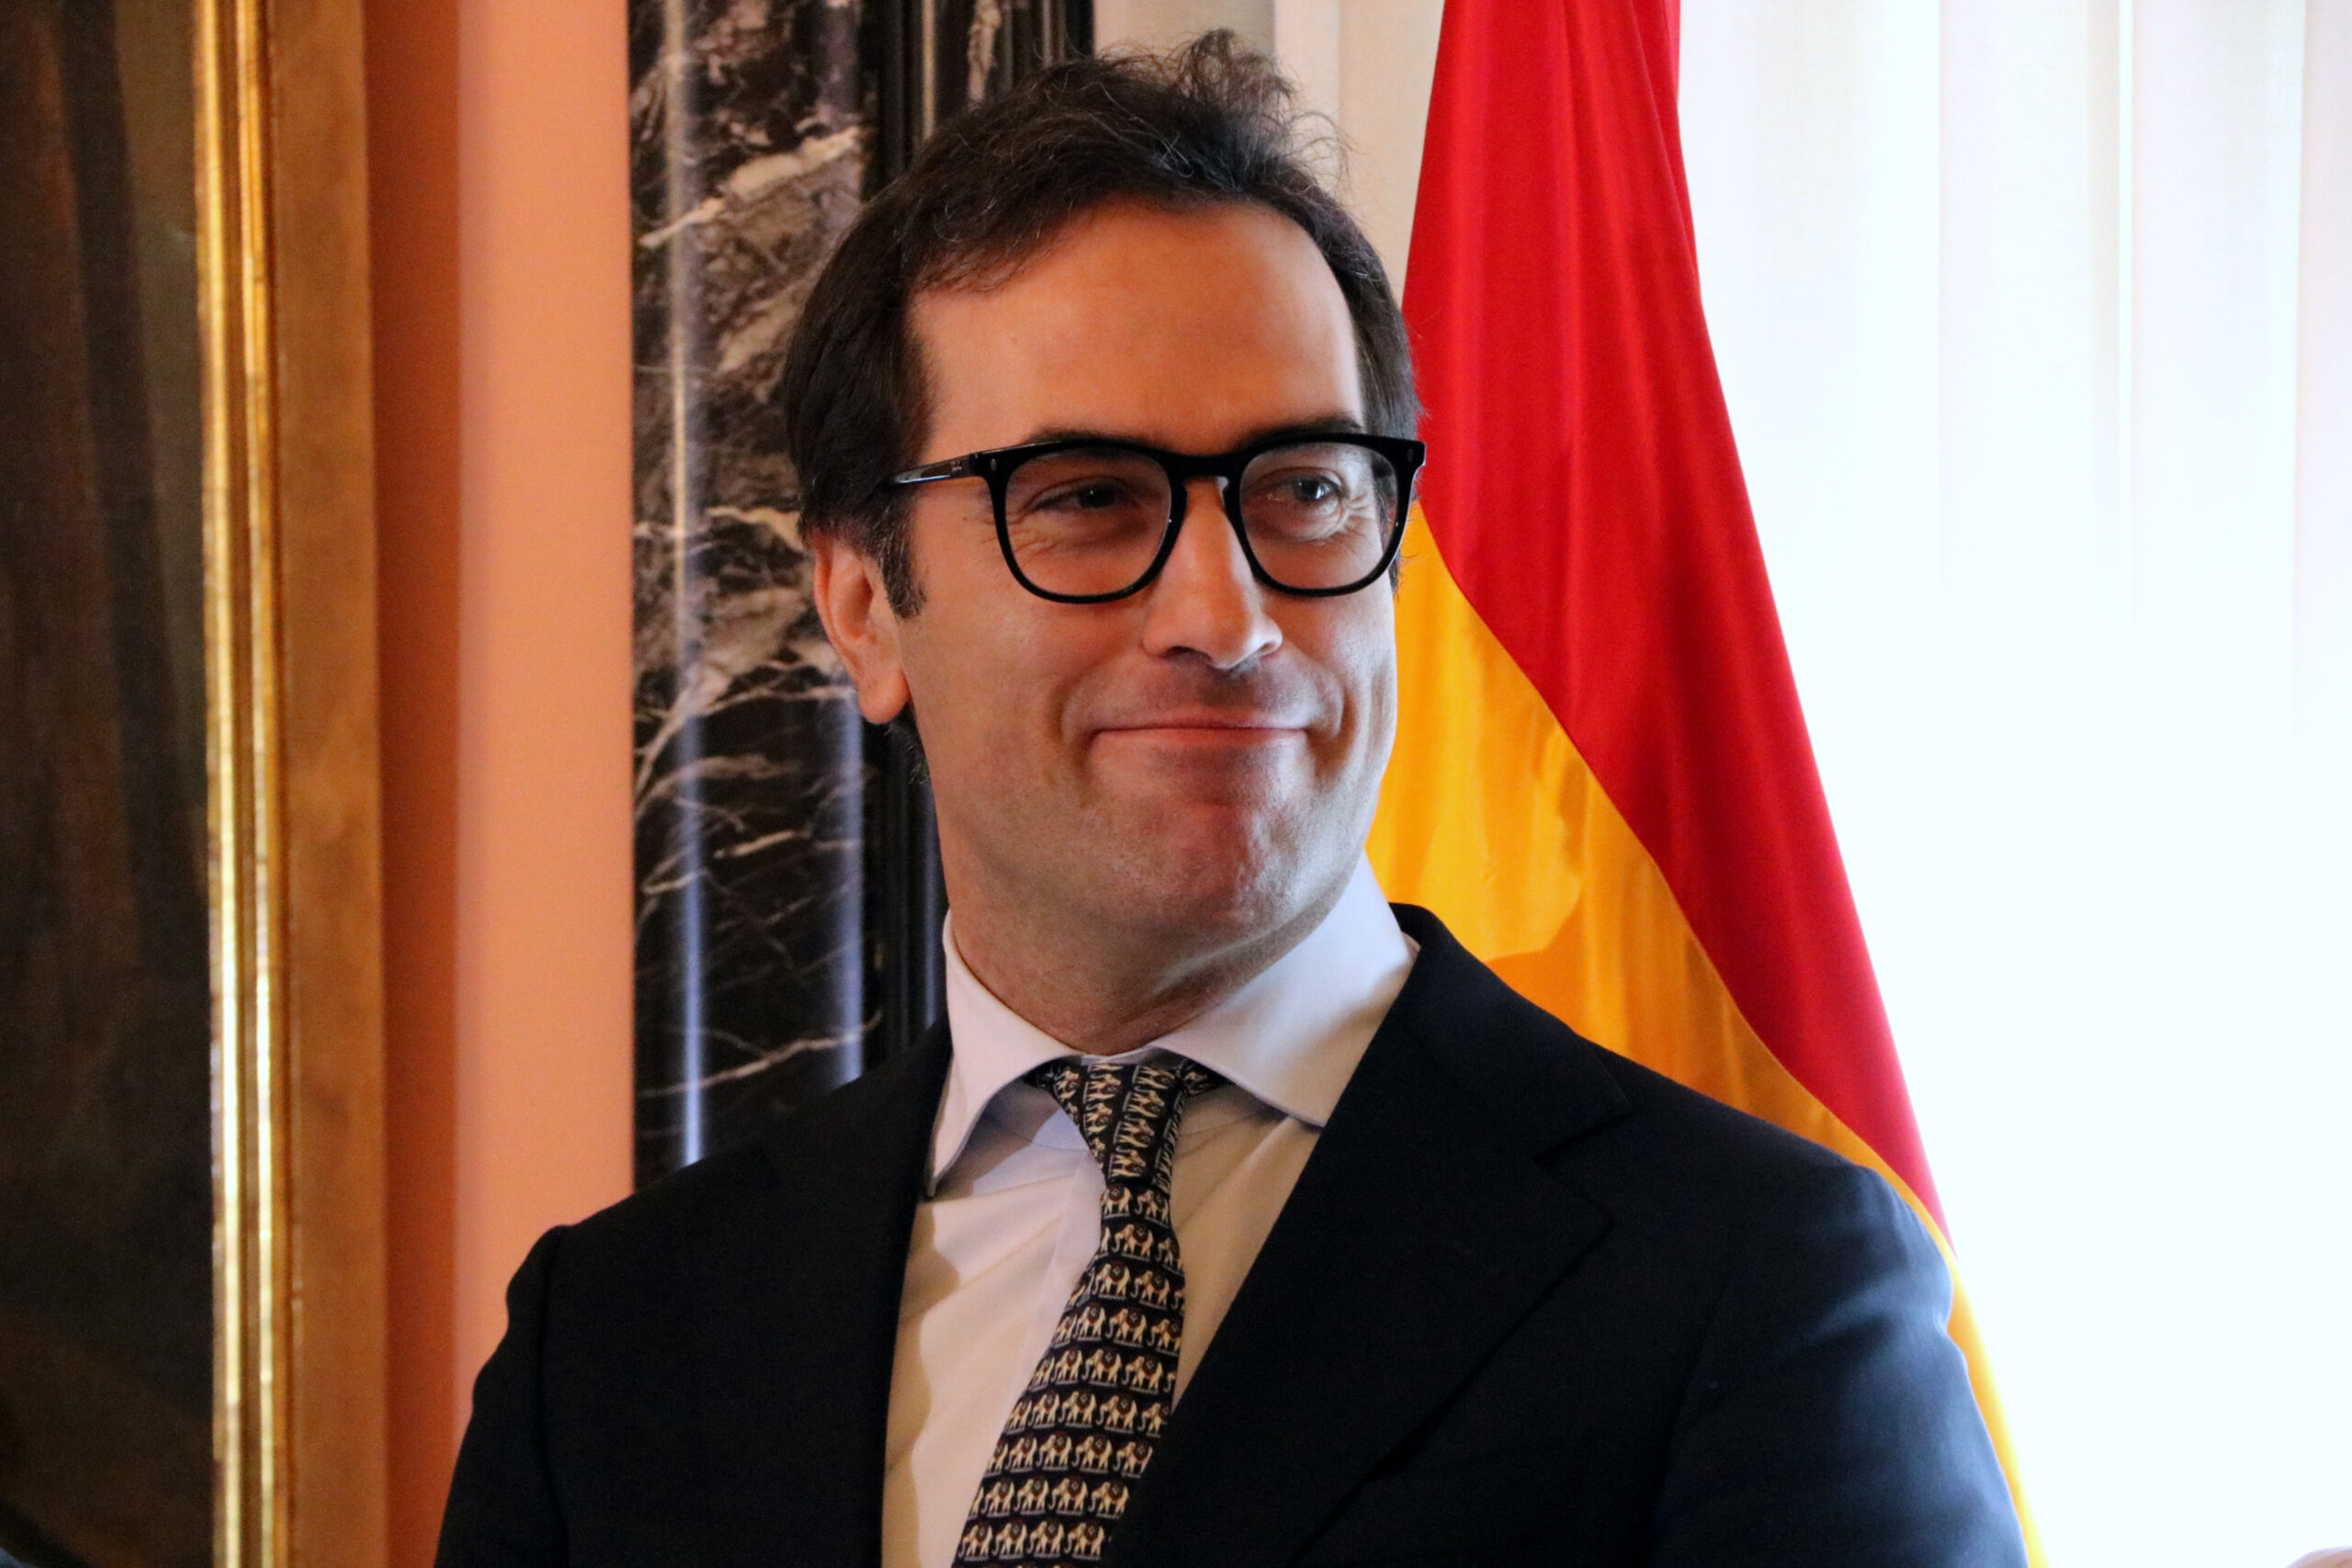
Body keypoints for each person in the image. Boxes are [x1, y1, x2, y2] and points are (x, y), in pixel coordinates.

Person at [437, 35, 2027, 1568]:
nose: (1227, 613)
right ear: (861, 606)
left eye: (1305, 490)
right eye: (1086, 498)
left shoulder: (1759, 1283)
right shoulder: (614, 1346)